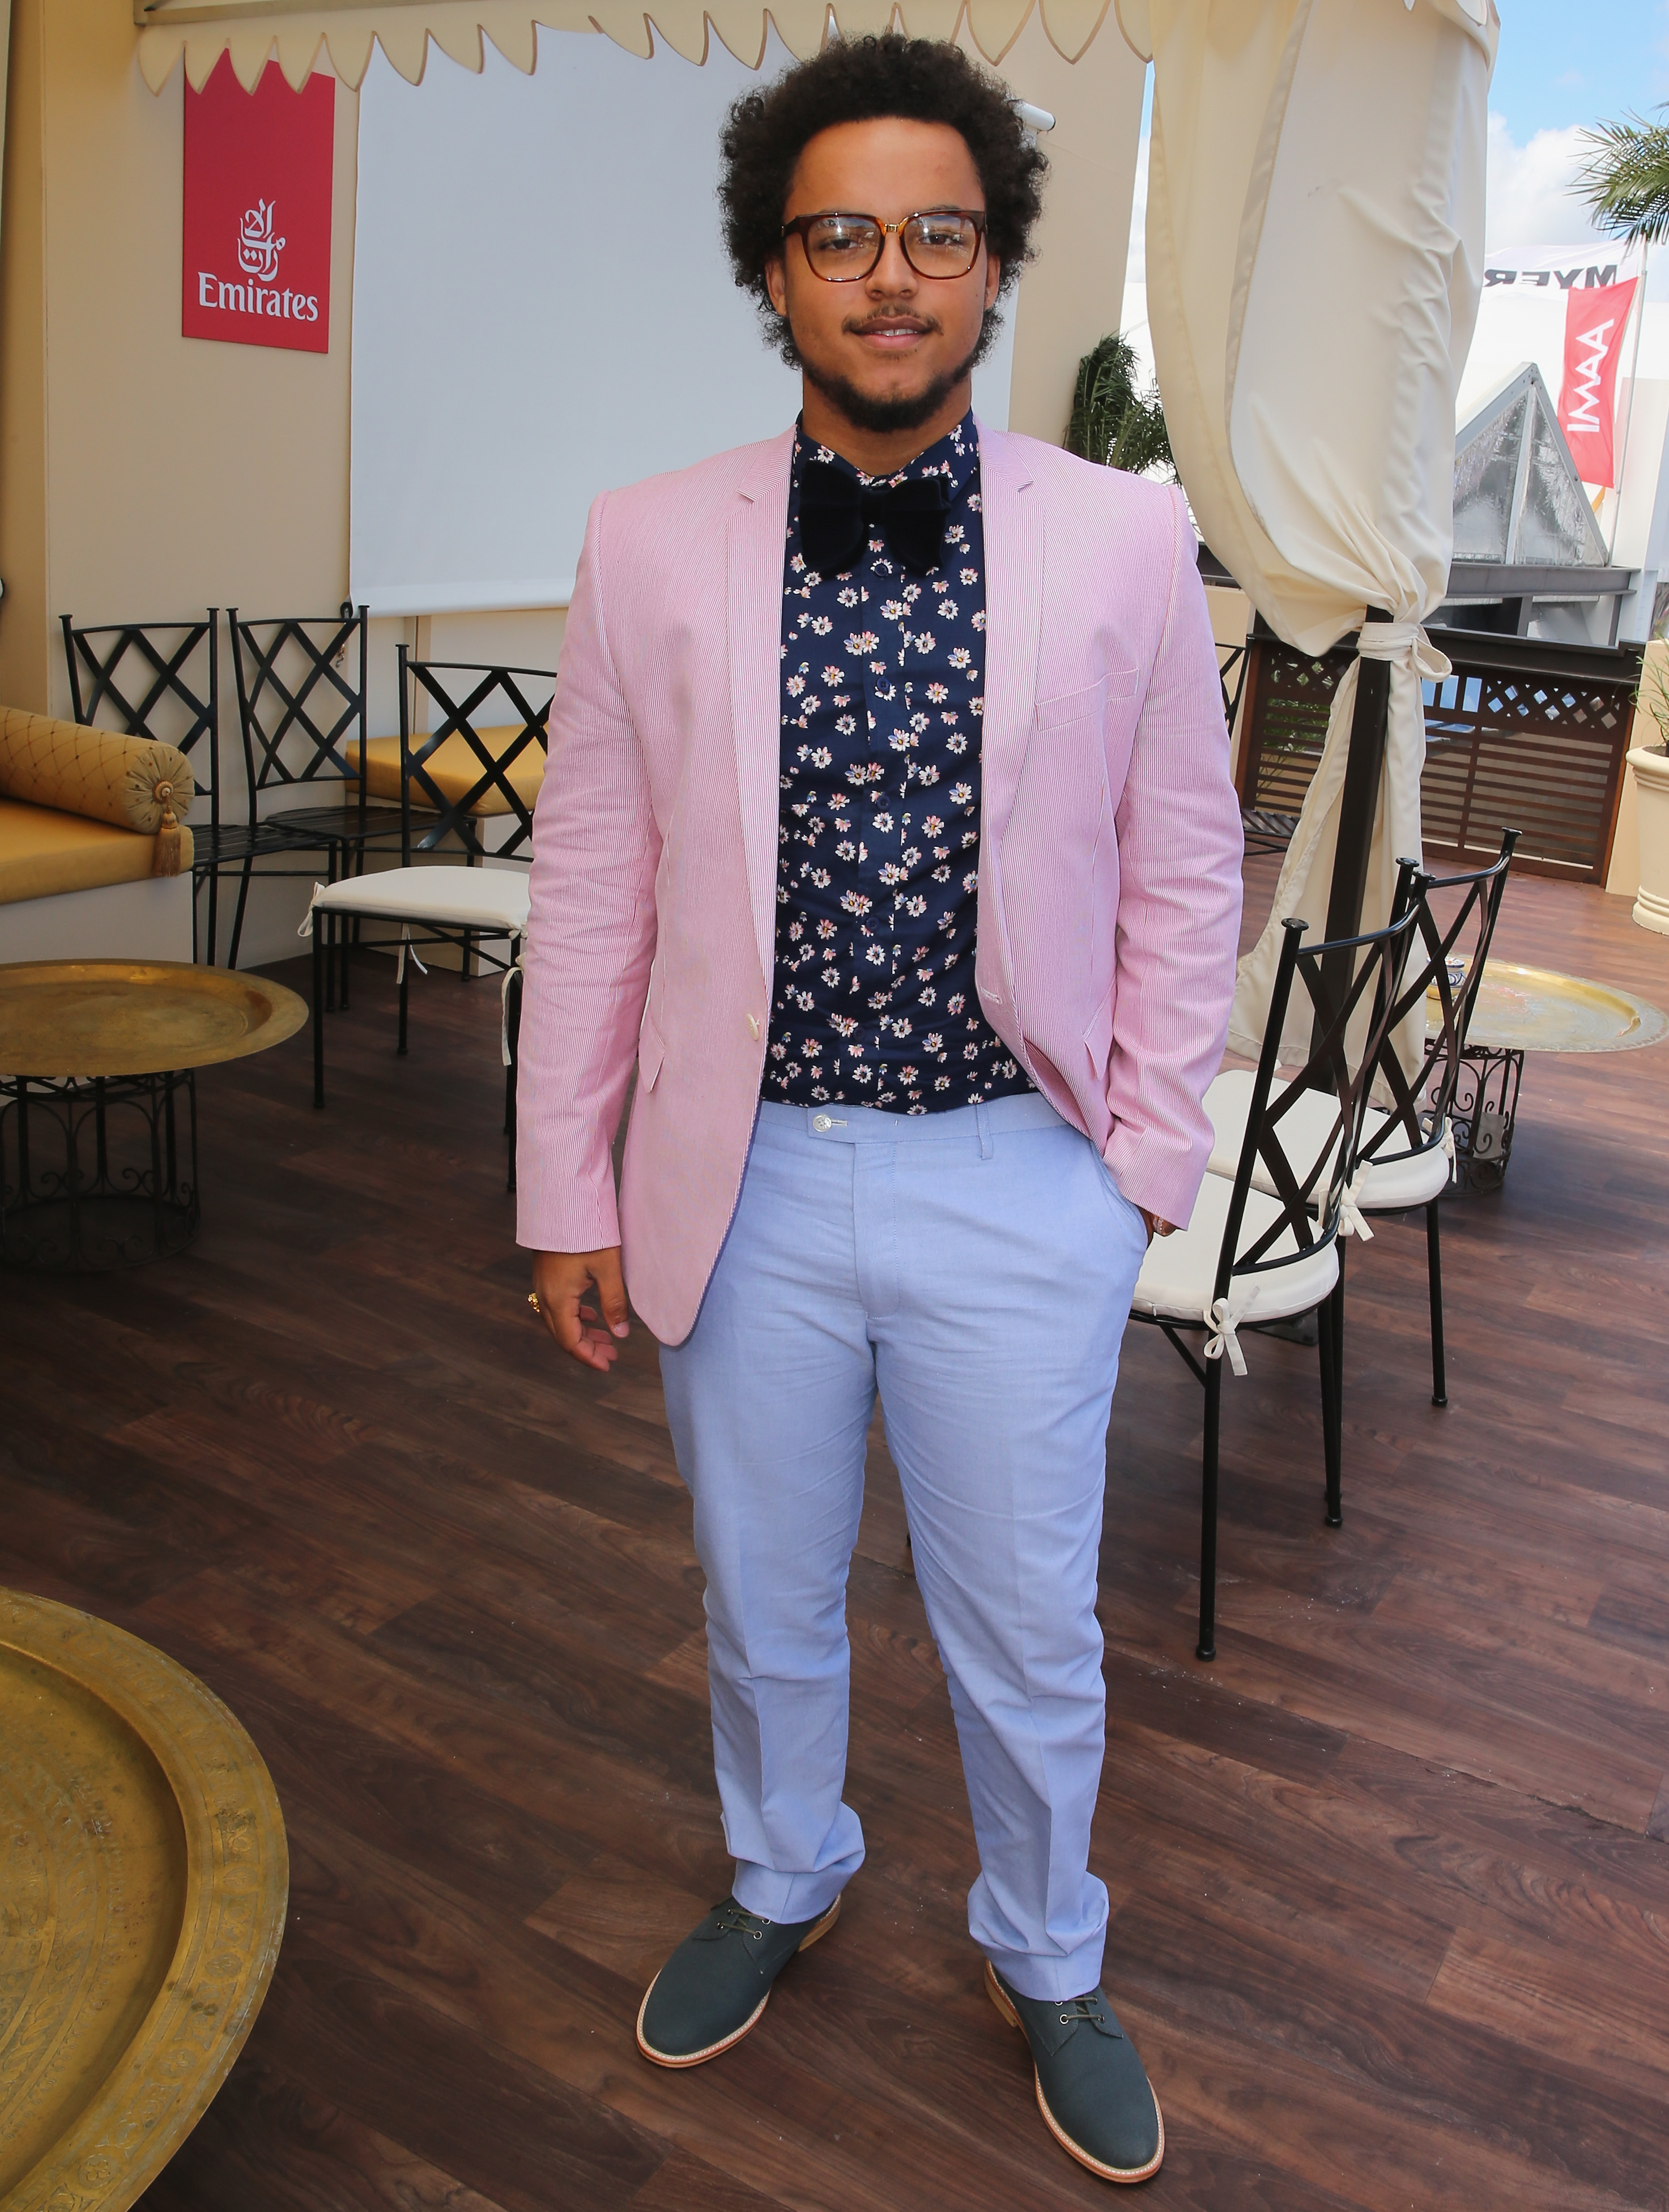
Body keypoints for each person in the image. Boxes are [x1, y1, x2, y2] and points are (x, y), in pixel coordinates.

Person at [518, 32, 1242, 2187]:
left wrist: (1140, 1164)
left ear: (996, 262)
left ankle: (1045, 1945)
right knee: (761, 1594)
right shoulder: (648, 539)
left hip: (1020, 1176)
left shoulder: (1122, 540)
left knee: (1028, 1625)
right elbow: (592, 874)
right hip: (738, 1182)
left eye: (938, 231)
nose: (891, 275)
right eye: (840, 233)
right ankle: (782, 1865)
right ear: (772, 269)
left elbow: (1186, 860)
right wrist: (567, 1184)